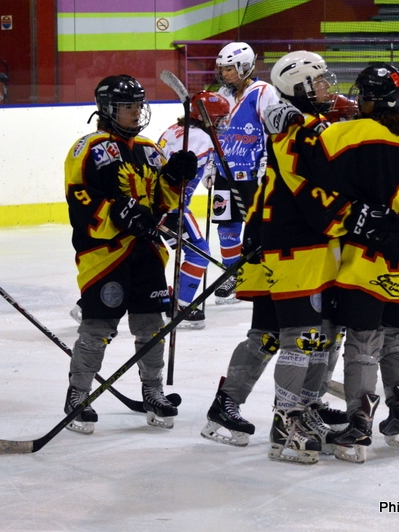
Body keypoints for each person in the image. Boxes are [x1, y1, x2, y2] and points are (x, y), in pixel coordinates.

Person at [264, 64, 399, 462]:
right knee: (397, 339)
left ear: (372, 99)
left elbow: (299, 158)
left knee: (363, 343)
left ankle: (359, 428)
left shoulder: (351, 133)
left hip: (369, 256)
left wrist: (283, 125)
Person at [201, 51, 348, 461]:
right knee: (298, 335)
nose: (326, 88)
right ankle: (288, 416)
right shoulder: (296, 125)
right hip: (293, 247)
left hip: (280, 237)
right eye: (317, 82)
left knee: (278, 333)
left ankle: (294, 407)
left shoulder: (301, 120)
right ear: (299, 87)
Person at [63, 74, 196, 434]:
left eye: (139, 105)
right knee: (97, 328)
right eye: (128, 106)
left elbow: (162, 201)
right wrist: (115, 211)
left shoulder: (150, 148)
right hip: (106, 255)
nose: (136, 112)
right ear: (107, 109)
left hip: (148, 253)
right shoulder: (87, 147)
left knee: (151, 327)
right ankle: (78, 395)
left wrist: (175, 177)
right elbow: (79, 198)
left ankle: (153, 391)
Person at [211, 42, 280, 304]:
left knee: (255, 228)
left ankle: (256, 274)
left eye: (230, 68)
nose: (225, 74)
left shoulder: (264, 92)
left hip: (252, 173)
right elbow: (215, 131)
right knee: (226, 227)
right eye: (222, 69)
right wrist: (210, 162)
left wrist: (267, 160)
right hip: (224, 171)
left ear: (244, 66)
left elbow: (272, 129)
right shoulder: (222, 93)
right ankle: (233, 275)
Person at [157, 91, 229, 330]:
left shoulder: (173, 129)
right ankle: (181, 305)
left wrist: (207, 168)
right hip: (172, 205)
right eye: (219, 118)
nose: (221, 124)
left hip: (155, 205)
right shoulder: (199, 137)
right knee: (200, 253)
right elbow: (179, 168)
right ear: (207, 117)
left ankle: (90, 304)